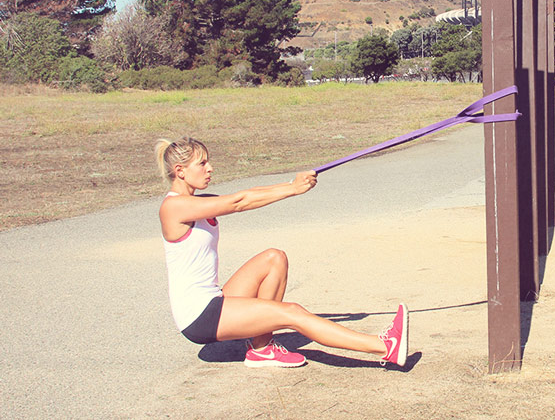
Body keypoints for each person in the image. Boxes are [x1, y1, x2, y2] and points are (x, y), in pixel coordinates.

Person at [154, 136, 409, 368]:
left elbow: (248, 195)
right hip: (199, 317)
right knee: (292, 313)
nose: (210, 168)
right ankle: (386, 346)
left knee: (274, 258)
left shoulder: (198, 202)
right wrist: (293, 189)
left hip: (213, 300)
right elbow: (238, 202)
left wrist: (292, 185)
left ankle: (261, 349)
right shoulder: (173, 208)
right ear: (180, 171)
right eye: (202, 163)